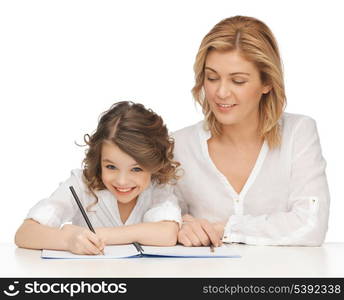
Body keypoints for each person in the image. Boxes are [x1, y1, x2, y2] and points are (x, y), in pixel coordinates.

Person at [155, 16, 330, 247]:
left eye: (238, 81)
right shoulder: (179, 145)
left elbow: (311, 225)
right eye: (212, 78)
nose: (221, 92)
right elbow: (158, 215)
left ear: (267, 83)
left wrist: (225, 229)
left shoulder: (298, 133)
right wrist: (180, 226)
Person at [15, 101, 181, 255]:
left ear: (155, 165)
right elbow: (24, 233)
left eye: (136, 169)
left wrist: (96, 235)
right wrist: (68, 240)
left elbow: (167, 233)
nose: (122, 181)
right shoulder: (81, 184)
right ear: (98, 158)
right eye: (111, 167)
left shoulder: (158, 186)